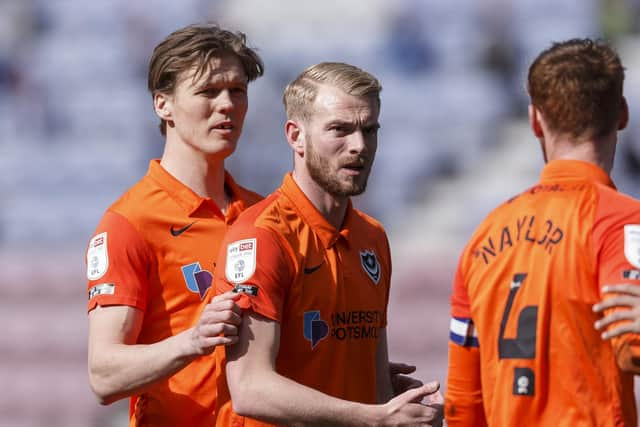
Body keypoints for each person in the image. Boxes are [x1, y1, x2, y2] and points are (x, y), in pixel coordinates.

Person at [209, 61, 444, 426]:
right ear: (295, 135)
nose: (359, 146)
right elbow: (250, 388)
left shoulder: (373, 237)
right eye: (340, 129)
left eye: (370, 129)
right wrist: (375, 416)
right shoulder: (262, 236)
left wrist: (396, 405)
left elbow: (376, 387)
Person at [446, 38, 640, 426]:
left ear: (535, 120)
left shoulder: (485, 235)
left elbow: (462, 405)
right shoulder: (621, 221)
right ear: (622, 113)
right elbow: (632, 348)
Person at [85, 24, 264, 426]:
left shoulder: (264, 216)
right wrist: (192, 341)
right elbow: (103, 374)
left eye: (237, 91)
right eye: (208, 92)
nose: (227, 105)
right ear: (162, 104)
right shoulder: (129, 223)